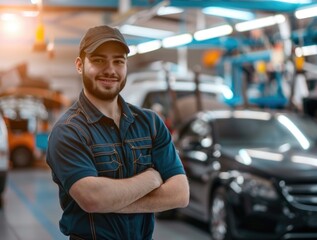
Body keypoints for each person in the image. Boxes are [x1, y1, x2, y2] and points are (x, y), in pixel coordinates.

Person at [46, 25, 189, 240]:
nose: (110, 70)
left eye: (118, 61)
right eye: (99, 60)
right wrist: (151, 178)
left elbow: (180, 194)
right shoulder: (68, 131)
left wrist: (112, 202)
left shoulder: (150, 124)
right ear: (79, 65)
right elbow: (93, 199)